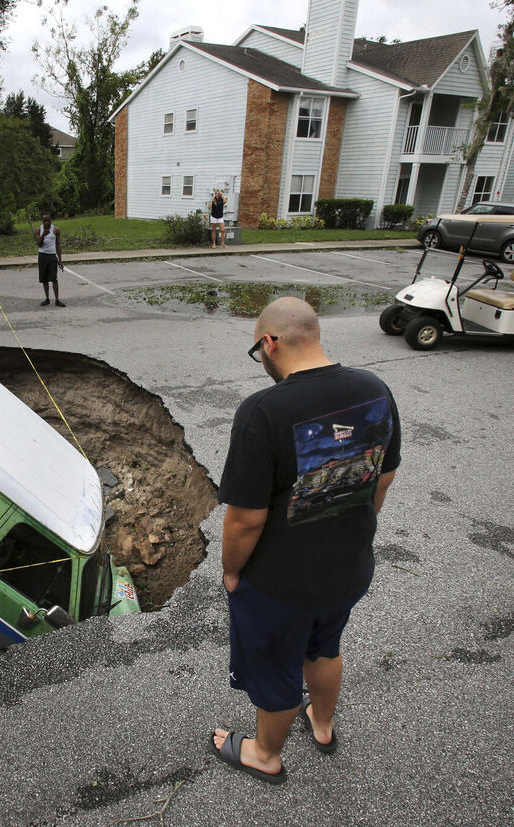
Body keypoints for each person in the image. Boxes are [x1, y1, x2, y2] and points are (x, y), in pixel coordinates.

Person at [210, 296, 401, 785]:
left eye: (259, 352)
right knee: (323, 648)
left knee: (276, 666)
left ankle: (264, 755)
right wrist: (353, 529)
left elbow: (245, 521)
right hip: (349, 568)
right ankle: (322, 723)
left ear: (269, 344)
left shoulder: (263, 411)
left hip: (280, 584)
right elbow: (383, 477)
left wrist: (232, 570)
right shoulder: (375, 389)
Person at [33, 213, 65, 307]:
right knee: (44, 279)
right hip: (42, 256)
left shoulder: (56, 230)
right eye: (44, 221)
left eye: (48, 220)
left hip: (52, 256)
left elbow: (58, 245)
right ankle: (47, 299)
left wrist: (60, 260)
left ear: (51, 220)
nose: (46, 222)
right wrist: (43, 235)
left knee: (54, 279)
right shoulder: (38, 229)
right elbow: (39, 244)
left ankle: (57, 299)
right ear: (42, 221)